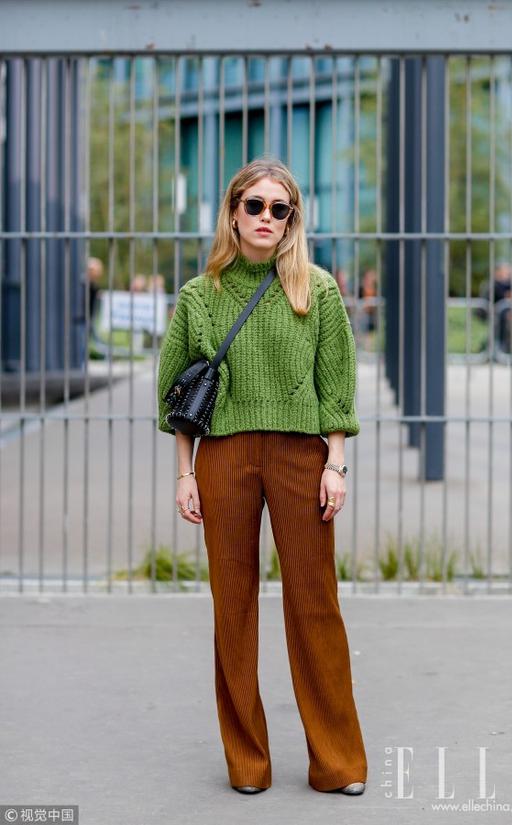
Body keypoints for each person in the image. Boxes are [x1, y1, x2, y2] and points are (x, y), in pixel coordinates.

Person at [157, 156, 368, 797]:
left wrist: (335, 464)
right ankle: (247, 762)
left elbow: (337, 387)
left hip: (301, 457)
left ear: (292, 219)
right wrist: (185, 474)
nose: (267, 218)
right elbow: (176, 395)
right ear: (233, 213)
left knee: (315, 604)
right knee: (234, 606)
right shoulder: (199, 296)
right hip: (223, 458)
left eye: (281, 209)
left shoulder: (317, 290)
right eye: (256, 206)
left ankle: (338, 763)